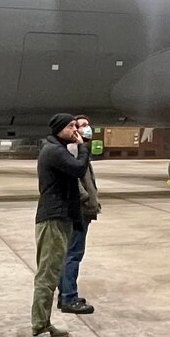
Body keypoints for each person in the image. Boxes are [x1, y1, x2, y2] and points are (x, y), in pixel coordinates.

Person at [31, 112, 91, 337]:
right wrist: (83, 147)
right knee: (46, 276)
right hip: (52, 219)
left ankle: (45, 324)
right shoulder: (53, 151)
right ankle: (37, 331)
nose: (76, 130)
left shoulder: (58, 149)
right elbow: (78, 170)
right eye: (71, 127)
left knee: (53, 273)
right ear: (59, 129)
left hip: (62, 217)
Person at [58, 134, 99, 316]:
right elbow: (75, 182)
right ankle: (68, 297)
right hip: (79, 211)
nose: (86, 129)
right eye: (80, 126)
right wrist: (86, 200)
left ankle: (64, 295)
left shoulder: (76, 153)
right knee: (73, 255)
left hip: (80, 210)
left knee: (69, 254)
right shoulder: (73, 152)